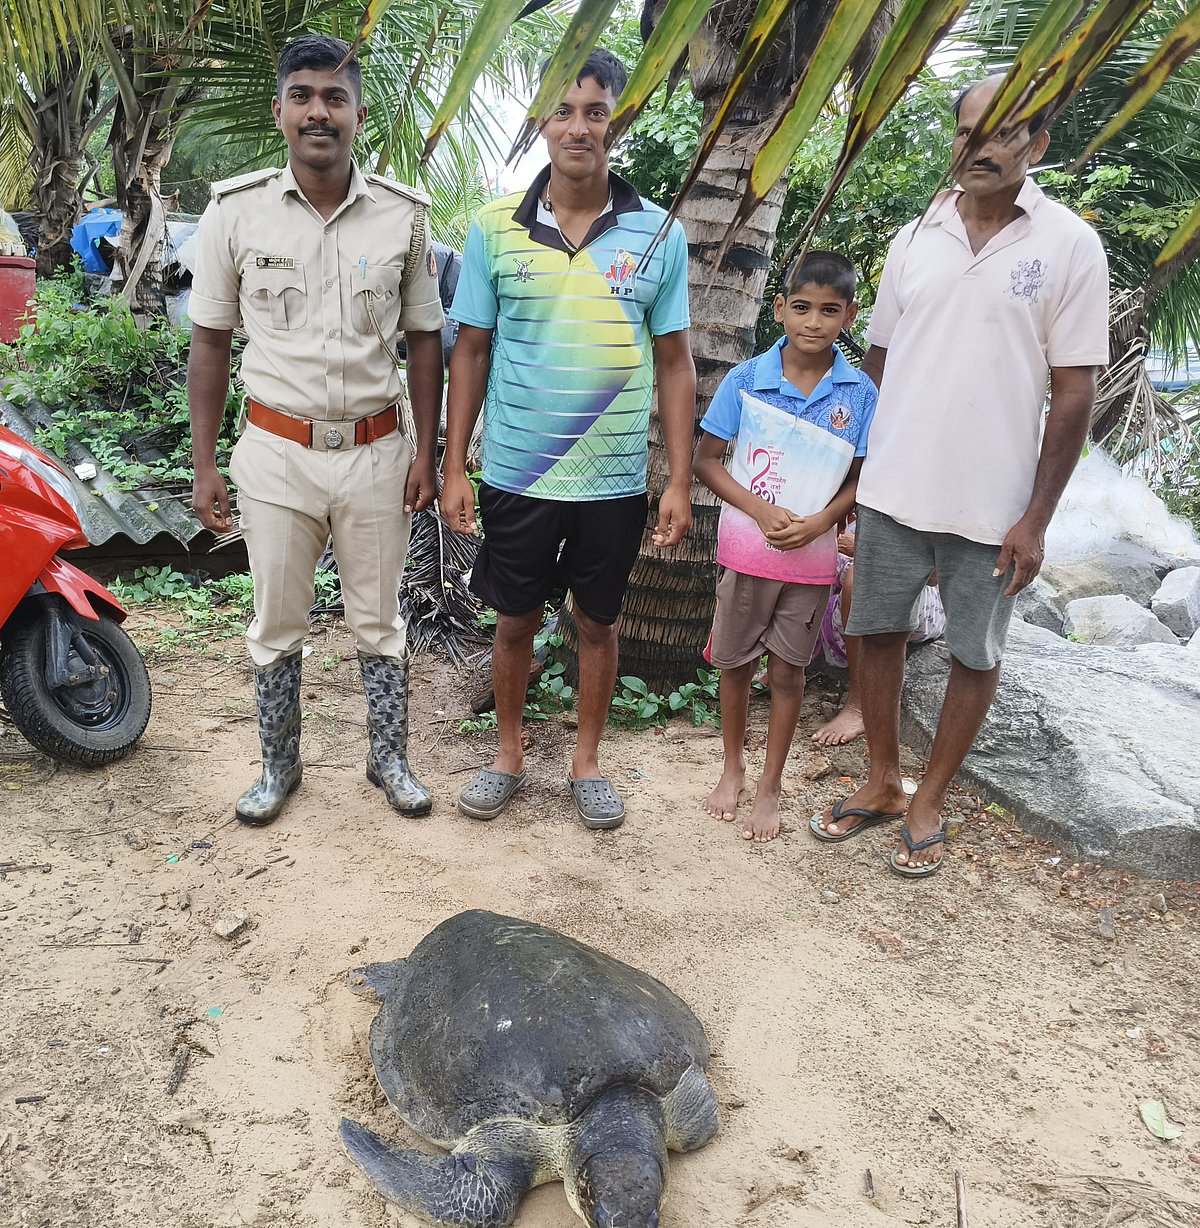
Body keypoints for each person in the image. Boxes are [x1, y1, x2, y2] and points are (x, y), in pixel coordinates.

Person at [811, 75, 1110, 876]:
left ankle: (930, 796)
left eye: (1003, 132)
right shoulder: (915, 237)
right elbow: (874, 366)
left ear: (1037, 146)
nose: (978, 147)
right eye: (966, 130)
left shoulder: (1070, 245)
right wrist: (851, 485)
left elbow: (1075, 390)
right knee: (875, 630)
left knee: (976, 652)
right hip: (893, 488)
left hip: (994, 504)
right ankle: (880, 780)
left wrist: (1037, 519)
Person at [188, 34, 445, 826]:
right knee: (276, 620)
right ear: (279, 111)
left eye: (335, 98)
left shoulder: (402, 217)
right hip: (275, 453)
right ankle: (278, 769)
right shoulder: (235, 213)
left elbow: (426, 339)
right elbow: (210, 342)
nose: (318, 112)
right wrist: (204, 466)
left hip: (374, 451)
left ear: (359, 114)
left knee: (379, 619)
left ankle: (388, 759)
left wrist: (427, 453)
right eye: (302, 96)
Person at [440, 48, 695, 831]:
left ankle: (587, 763)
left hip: (614, 479)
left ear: (618, 121)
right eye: (563, 111)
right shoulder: (492, 229)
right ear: (541, 121)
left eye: (596, 112)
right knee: (513, 622)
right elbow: (472, 348)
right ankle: (508, 756)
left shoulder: (659, 235)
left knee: (597, 622)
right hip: (518, 470)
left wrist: (679, 479)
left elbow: (675, 360)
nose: (578, 127)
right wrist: (454, 465)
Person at [694, 251, 878, 842]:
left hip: (811, 563)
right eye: (801, 307)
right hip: (747, 552)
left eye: (829, 311)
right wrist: (760, 508)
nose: (814, 322)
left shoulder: (860, 394)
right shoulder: (746, 381)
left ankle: (770, 783)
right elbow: (706, 461)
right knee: (735, 664)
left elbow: (861, 479)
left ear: (849, 316)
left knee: (789, 673)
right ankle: (732, 768)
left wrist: (823, 519)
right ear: (780, 308)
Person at [810, 515, 945, 746]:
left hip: (916, 594)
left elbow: (934, 572)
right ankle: (789, 665)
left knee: (861, 576)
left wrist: (863, 549)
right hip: (847, 597)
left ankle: (859, 704)